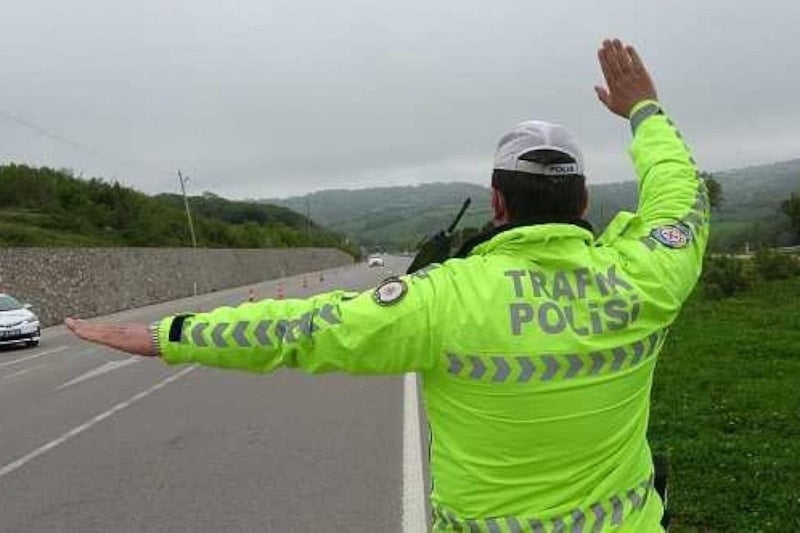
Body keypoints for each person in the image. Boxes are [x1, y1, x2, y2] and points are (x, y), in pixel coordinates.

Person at [66, 38, 709, 532]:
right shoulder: (644, 275)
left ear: (497, 203)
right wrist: (644, 112)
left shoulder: (443, 298)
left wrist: (169, 334)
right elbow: (681, 197)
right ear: (584, 200)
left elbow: (301, 329)